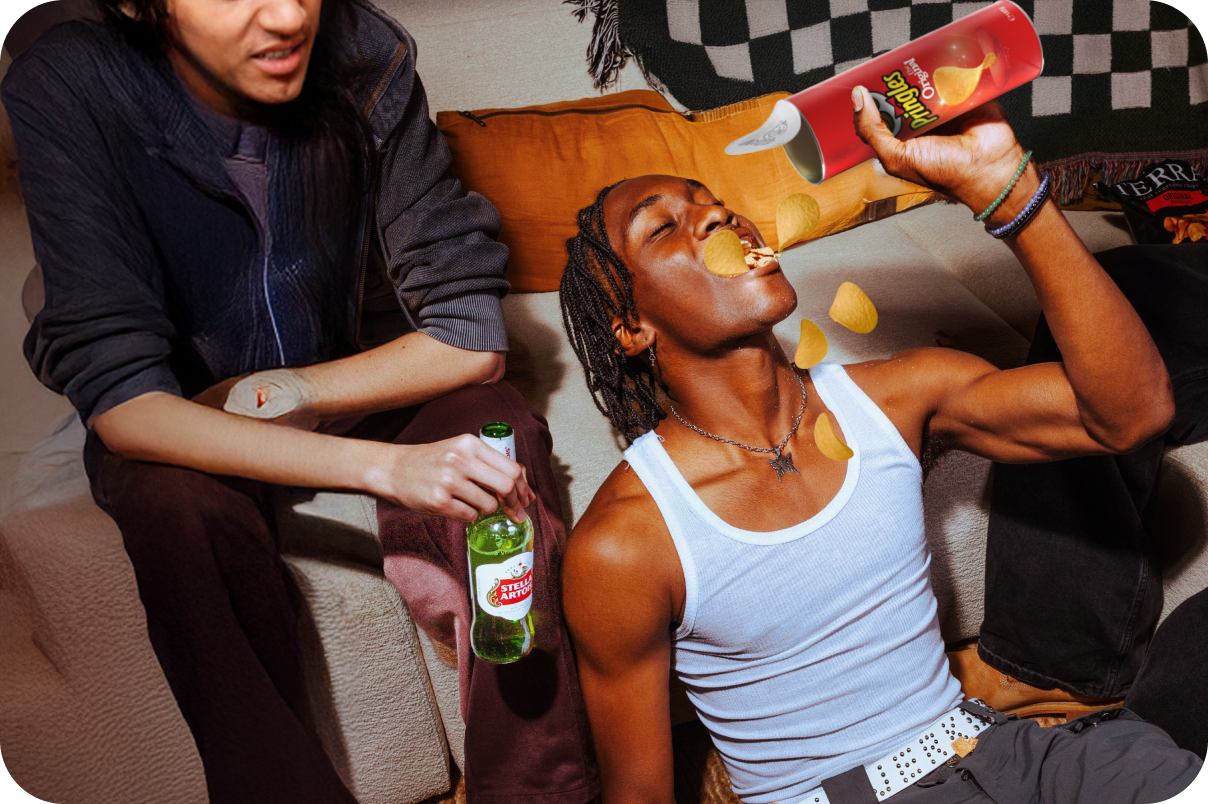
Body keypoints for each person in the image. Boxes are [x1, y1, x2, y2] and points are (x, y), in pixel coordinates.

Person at [2, 1, 597, 802]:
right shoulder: (69, 81)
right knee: (176, 514)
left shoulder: (365, 48)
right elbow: (127, 407)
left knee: (501, 436)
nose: (286, 16)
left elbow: (468, 335)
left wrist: (295, 390)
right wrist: (385, 468)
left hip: (344, 369)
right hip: (185, 410)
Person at [555, 85, 1203, 804]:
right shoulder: (625, 544)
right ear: (631, 327)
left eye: (712, 201)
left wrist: (1010, 191)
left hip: (1001, 752)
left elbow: (1131, 415)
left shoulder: (897, 395)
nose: (716, 215)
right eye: (663, 228)